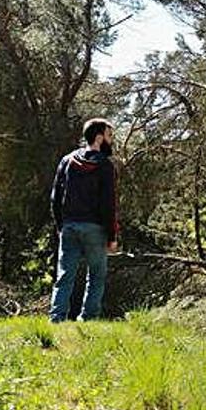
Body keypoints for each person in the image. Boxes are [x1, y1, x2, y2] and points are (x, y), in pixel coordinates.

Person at [48, 118, 120, 323]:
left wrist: (61, 226)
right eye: (109, 135)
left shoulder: (67, 161)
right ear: (99, 137)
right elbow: (110, 204)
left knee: (64, 276)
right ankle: (88, 319)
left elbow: (55, 197)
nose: (110, 140)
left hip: (69, 226)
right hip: (95, 229)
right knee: (96, 276)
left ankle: (56, 319)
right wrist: (112, 236)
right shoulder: (105, 166)